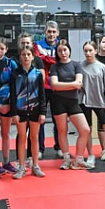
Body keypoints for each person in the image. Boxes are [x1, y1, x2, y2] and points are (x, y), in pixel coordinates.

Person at [50, 40, 91, 169]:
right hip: (58, 102)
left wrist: (65, 85)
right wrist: (72, 85)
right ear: (57, 53)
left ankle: (78, 159)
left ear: (69, 50)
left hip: (72, 102)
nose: (63, 53)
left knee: (85, 130)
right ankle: (66, 158)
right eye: (60, 51)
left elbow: (79, 84)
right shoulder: (54, 67)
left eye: (65, 50)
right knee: (62, 130)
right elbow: (54, 85)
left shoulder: (76, 65)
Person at [10, 45, 47, 178]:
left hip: (35, 110)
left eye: (28, 54)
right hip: (20, 110)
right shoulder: (15, 74)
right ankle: (21, 167)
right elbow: (12, 95)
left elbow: (42, 95)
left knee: (34, 137)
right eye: (23, 54)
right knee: (22, 138)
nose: (26, 57)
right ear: (20, 57)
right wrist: (14, 113)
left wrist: (43, 112)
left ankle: (35, 165)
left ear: (33, 57)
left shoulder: (37, 74)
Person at [79, 41, 105, 168]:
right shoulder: (81, 66)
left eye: (90, 50)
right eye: (86, 51)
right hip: (85, 102)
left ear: (95, 51)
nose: (88, 53)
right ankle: (90, 154)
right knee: (87, 129)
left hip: (100, 101)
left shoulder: (102, 67)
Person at [34, 21, 62, 157]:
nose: (51, 34)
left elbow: (63, 59)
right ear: (45, 32)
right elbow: (38, 60)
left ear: (57, 33)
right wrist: (54, 59)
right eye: (49, 31)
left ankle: (59, 147)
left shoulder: (61, 45)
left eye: (53, 32)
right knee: (40, 119)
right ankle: (40, 149)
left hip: (58, 86)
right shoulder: (37, 45)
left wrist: (47, 58)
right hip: (42, 86)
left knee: (59, 119)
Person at [18, 32, 45, 169]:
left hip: (35, 104)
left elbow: (41, 84)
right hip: (21, 106)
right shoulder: (16, 65)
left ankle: (34, 161)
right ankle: (21, 162)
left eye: (27, 43)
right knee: (21, 135)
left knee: (35, 135)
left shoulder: (38, 63)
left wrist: (42, 111)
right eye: (23, 43)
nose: (25, 45)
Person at [0, 38, 18, 174]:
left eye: (2, 48)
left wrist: (10, 104)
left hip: (7, 103)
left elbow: (16, 84)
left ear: (6, 49)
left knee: (5, 133)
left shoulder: (11, 63)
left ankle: (6, 162)